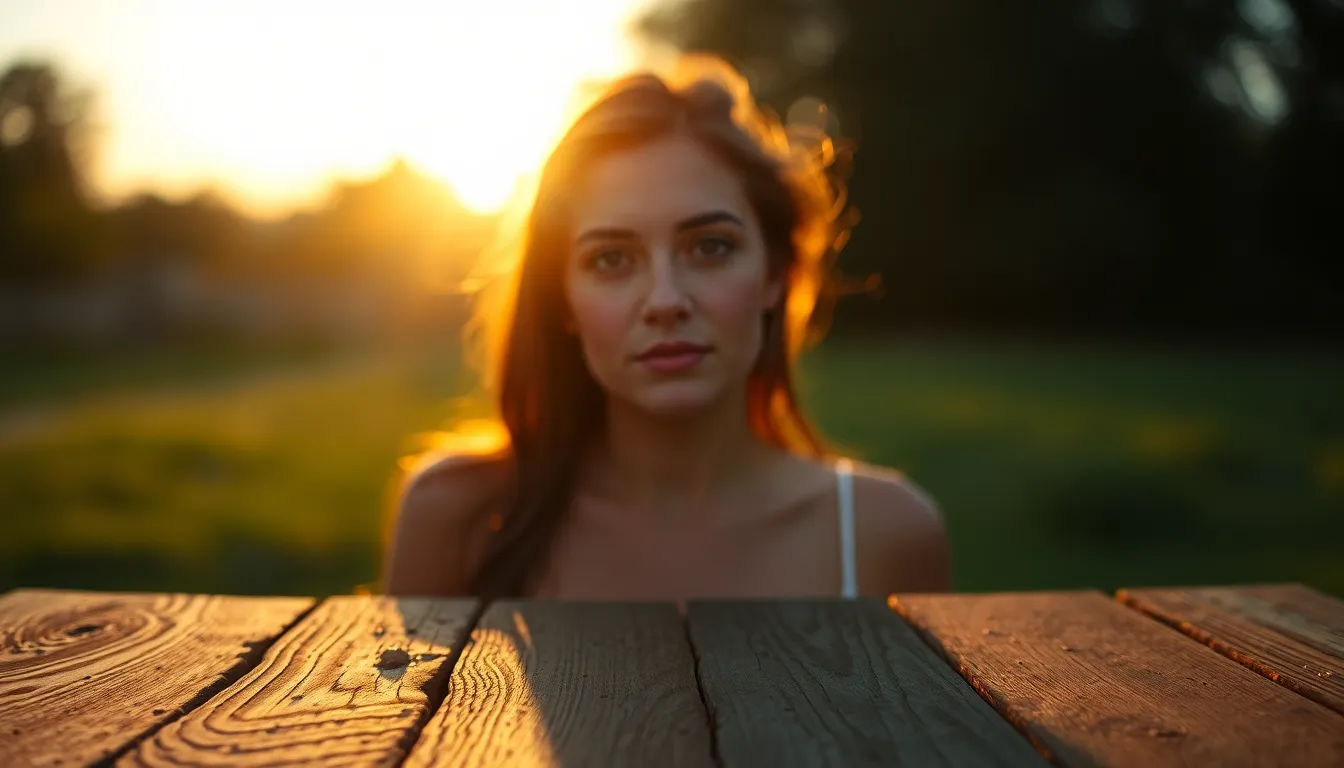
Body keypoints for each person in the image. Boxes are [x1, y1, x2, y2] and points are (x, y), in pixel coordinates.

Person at [382, 57, 951, 604]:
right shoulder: (455, 516)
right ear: (562, 301)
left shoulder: (882, 533)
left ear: (776, 274)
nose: (665, 301)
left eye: (710, 247)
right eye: (611, 259)